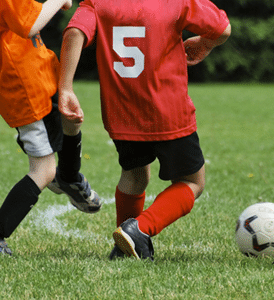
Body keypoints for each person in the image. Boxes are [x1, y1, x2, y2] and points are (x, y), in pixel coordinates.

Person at [58, 0, 230, 260]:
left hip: (121, 112)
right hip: (167, 111)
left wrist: (66, 88)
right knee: (193, 182)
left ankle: (125, 248)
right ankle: (139, 228)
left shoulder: (98, 3)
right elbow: (223, 29)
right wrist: (205, 44)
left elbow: (74, 32)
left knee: (134, 175)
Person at [0, 0, 101, 257]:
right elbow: (30, 25)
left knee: (71, 119)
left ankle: (70, 177)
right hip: (24, 85)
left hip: (36, 74)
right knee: (43, 169)